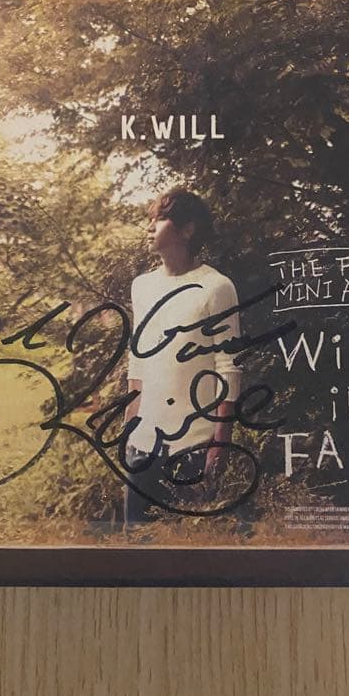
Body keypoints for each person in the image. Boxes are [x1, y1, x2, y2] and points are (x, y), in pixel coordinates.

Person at [123, 188, 243, 528]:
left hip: (193, 446)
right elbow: (138, 359)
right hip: (142, 446)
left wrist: (220, 444)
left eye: (159, 220)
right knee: (135, 541)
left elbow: (228, 367)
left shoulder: (216, 287)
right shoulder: (142, 286)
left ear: (187, 230)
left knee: (186, 543)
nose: (149, 227)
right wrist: (129, 429)